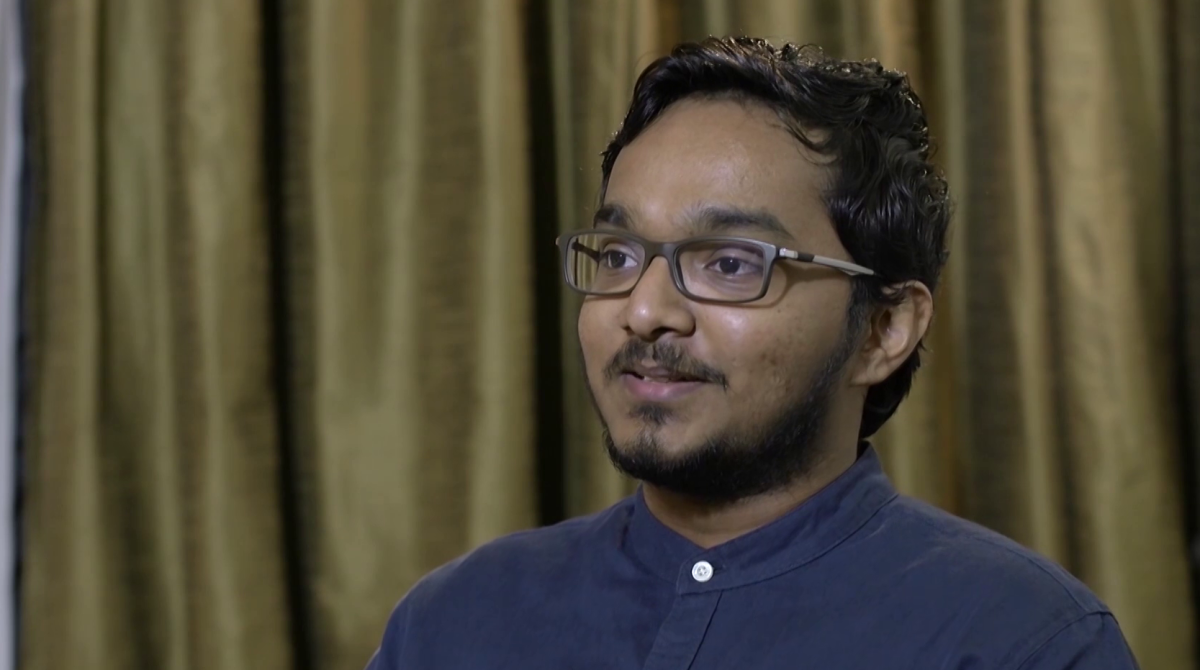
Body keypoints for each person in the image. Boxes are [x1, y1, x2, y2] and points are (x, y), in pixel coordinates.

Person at [365, 36, 1139, 669]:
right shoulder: (454, 620)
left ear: (883, 329)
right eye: (619, 255)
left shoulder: (1024, 640)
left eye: (731, 264)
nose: (645, 312)